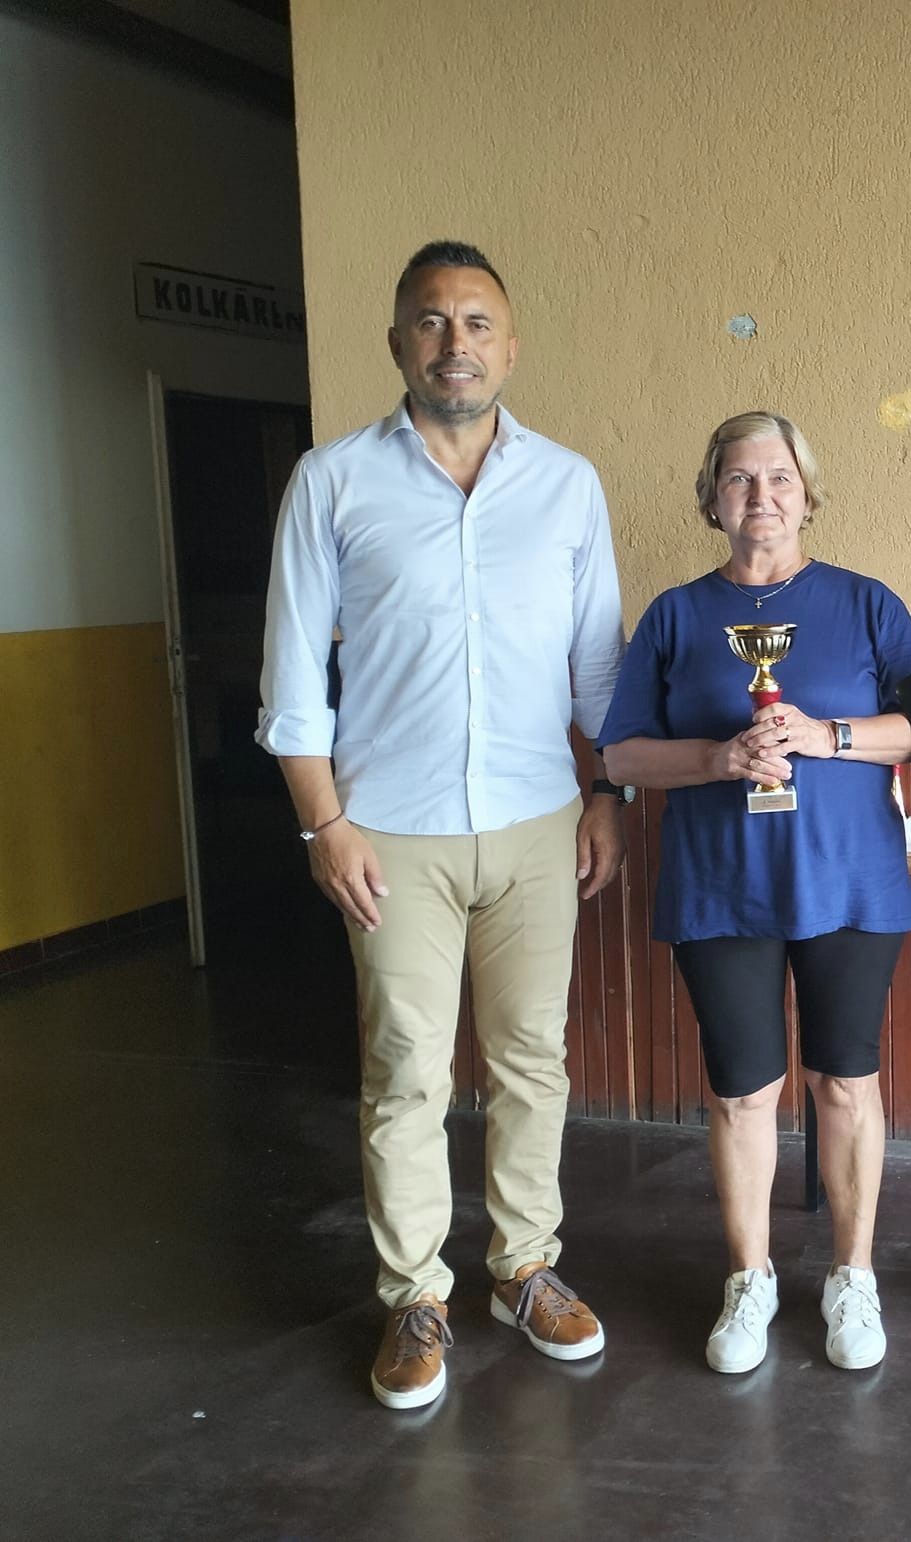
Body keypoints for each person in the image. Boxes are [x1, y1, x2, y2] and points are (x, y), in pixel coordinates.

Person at [258, 240, 627, 1410]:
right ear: (396, 343)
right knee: (406, 1070)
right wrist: (323, 826)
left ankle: (523, 1270)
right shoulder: (331, 482)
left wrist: (608, 795)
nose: (453, 342)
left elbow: (599, 674)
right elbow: (292, 681)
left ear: (509, 348)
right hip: (389, 833)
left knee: (531, 1060)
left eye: (475, 323)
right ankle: (415, 1295)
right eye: (430, 320)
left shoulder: (566, 485)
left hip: (537, 821)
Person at [598, 412, 911, 1374]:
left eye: (779, 477)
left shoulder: (866, 603)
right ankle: (750, 1280)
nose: (762, 495)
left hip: (849, 880)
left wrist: (828, 737)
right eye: (739, 479)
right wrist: (717, 757)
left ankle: (852, 1276)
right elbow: (622, 754)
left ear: (808, 493)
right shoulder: (675, 616)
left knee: (845, 1081)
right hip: (721, 887)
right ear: (712, 499)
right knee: (743, 1093)